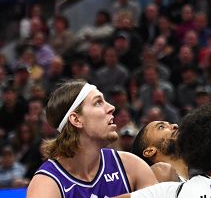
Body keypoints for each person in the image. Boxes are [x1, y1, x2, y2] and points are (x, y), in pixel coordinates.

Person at [26, 80, 157, 198]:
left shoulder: (131, 166)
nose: (111, 107)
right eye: (98, 102)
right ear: (76, 119)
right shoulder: (47, 184)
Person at [119, 103, 211, 198]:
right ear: (149, 151)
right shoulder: (162, 170)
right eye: (161, 127)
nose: (175, 125)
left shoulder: (190, 184)